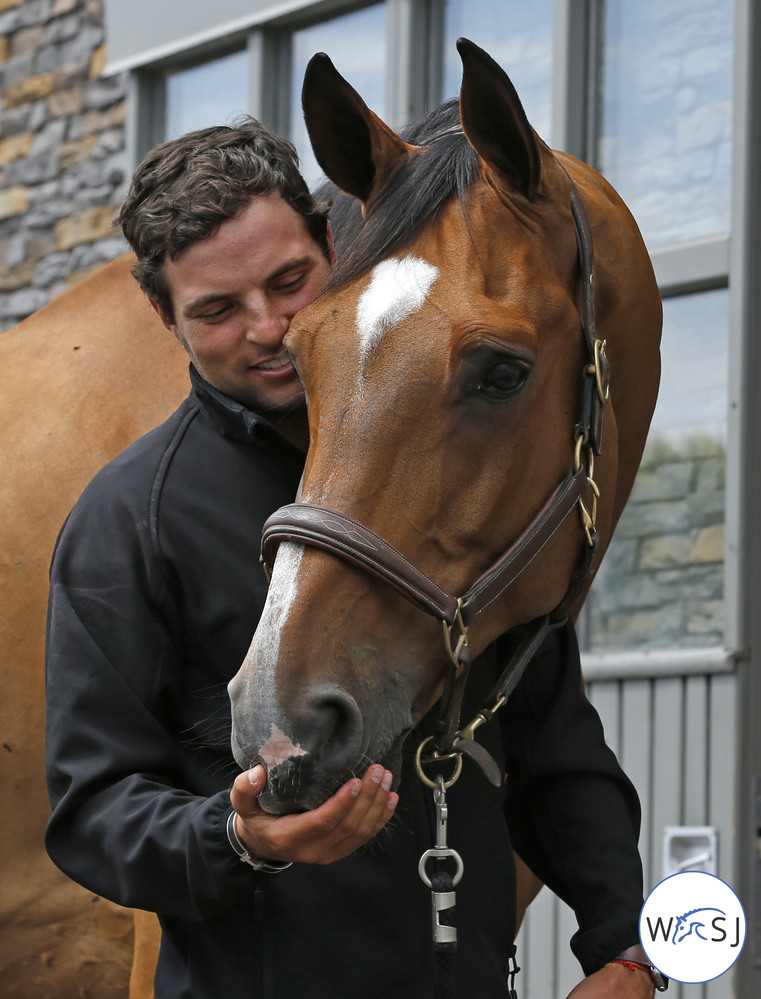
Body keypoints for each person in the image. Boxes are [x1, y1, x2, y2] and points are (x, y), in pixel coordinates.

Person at [45, 117, 659, 998]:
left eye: (289, 281)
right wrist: (239, 838)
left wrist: (631, 947)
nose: (266, 327)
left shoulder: (441, 452)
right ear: (163, 315)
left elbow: (553, 740)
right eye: (217, 309)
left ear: (334, 244)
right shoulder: (126, 521)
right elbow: (95, 810)